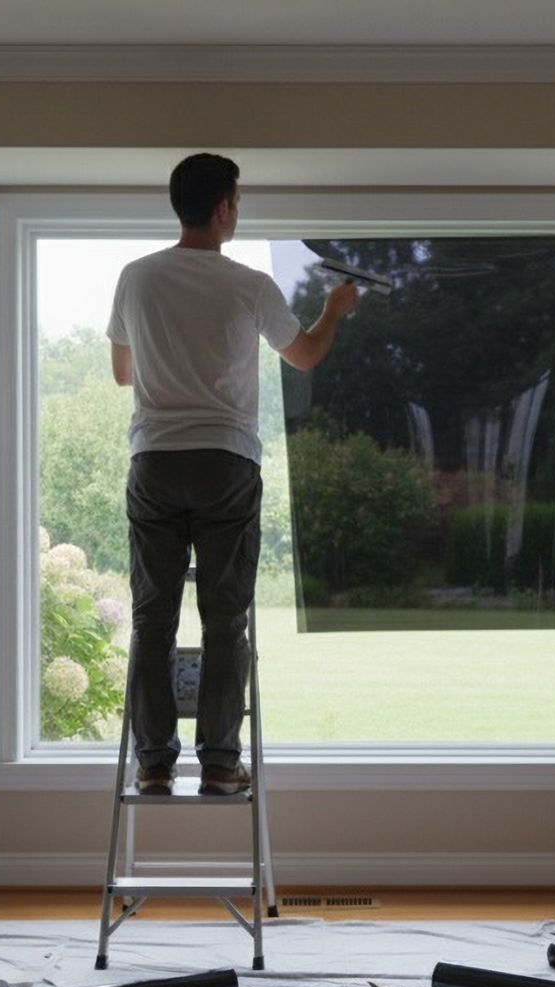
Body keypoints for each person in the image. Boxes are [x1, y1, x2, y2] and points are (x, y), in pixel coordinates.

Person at [107, 153, 360, 795]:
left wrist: (172, 364)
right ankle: (220, 764)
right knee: (225, 618)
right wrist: (334, 310)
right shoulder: (248, 285)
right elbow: (302, 356)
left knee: (151, 618)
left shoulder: (135, 278)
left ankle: (154, 763)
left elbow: (122, 373)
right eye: (237, 202)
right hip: (224, 462)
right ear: (223, 208)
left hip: (156, 462)